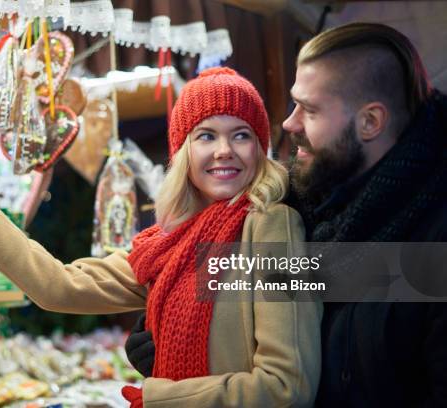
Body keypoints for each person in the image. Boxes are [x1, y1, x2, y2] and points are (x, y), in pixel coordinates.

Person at [0, 67, 322, 407]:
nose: (224, 150)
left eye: (241, 134)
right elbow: (59, 286)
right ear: (182, 155)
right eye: (206, 135)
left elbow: (287, 386)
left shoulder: (272, 227)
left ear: (259, 148)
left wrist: (164, 398)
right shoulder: (169, 245)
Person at [125, 23, 447, 407]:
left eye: (309, 110)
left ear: (370, 122)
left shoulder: (432, 241)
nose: (289, 123)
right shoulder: (302, 202)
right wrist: (176, 321)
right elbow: (255, 293)